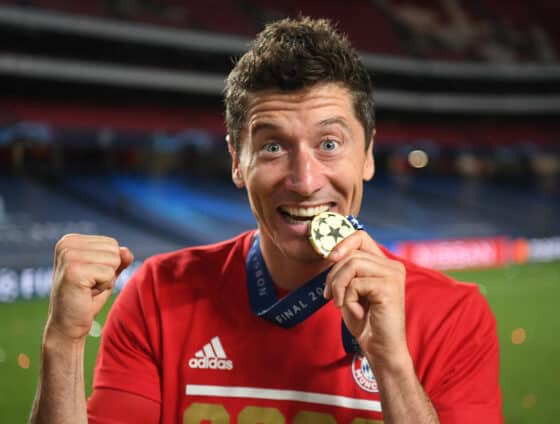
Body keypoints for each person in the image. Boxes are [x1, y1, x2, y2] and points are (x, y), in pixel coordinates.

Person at [30, 17, 503, 423]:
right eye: (273, 145)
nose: (304, 179)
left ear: (368, 154)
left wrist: (394, 364)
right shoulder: (157, 295)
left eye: (330, 144)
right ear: (238, 161)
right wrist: (63, 345)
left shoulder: (454, 317)